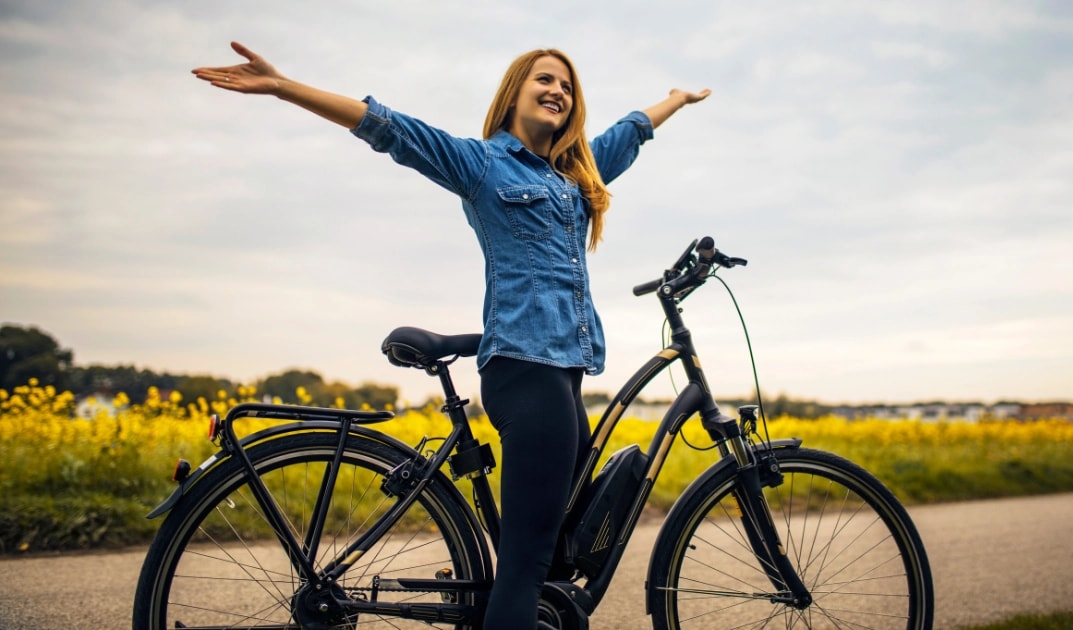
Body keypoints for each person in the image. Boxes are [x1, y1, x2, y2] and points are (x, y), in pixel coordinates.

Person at [193, 41, 709, 629]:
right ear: (513, 93)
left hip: (562, 378)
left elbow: (629, 132)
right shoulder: (482, 164)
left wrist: (675, 100)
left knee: (550, 554)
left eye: (567, 87)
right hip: (526, 372)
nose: (558, 92)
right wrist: (284, 86)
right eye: (544, 79)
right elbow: (389, 128)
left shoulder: (577, 177)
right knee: (527, 564)